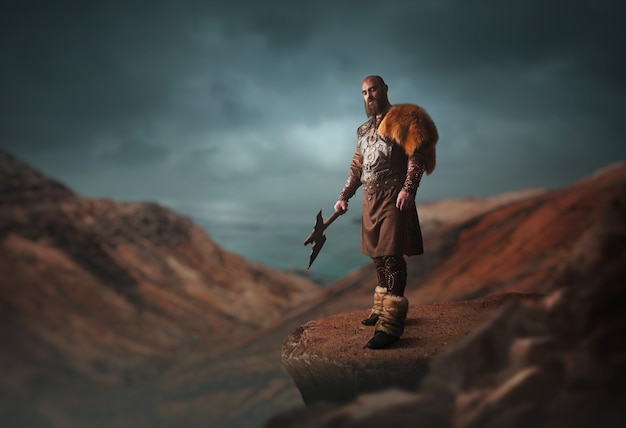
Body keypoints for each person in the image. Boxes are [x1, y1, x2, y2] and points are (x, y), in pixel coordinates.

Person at [334, 75, 438, 349]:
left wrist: (409, 188)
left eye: (373, 89)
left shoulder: (404, 119)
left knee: (392, 256)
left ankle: (391, 325)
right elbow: (358, 167)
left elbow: (417, 154)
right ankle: (382, 307)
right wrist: (344, 196)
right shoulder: (363, 130)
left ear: (385, 89)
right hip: (370, 197)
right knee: (377, 257)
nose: (368, 95)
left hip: (395, 195)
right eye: (364, 92)